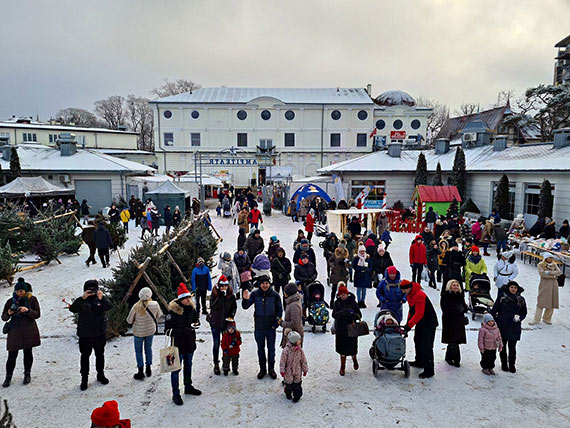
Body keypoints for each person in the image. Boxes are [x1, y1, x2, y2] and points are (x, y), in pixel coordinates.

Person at [68, 279, 113, 390]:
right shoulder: (81, 301)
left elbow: (109, 307)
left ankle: (100, 374)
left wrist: (102, 298)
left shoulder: (100, 300)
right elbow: (73, 309)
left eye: (94, 290)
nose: (91, 292)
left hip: (99, 333)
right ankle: (84, 379)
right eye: (89, 290)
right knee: (84, 356)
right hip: (85, 335)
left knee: (100, 355)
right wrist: (82, 298)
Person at [165, 283, 202, 405]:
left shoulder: (192, 309)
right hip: (177, 346)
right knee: (175, 369)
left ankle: (188, 386)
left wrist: (196, 323)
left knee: (188, 365)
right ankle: (176, 393)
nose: (188, 300)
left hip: (190, 343)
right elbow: (167, 330)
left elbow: (195, 320)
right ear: (181, 299)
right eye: (186, 298)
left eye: (189, 298)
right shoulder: (173, 312)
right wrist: (183, 329)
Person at [242, 275, 283, 380]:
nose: (265, 285)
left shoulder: (275, 295)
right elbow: (245, 306)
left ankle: (271, 369)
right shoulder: (255, 294)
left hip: (271, 328)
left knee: (271, 350)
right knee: (260, 349)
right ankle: (262, 369)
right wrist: (245, 299)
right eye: (263, 283)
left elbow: (279, 311)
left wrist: (275, 325)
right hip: (259, 327)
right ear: (260, 284)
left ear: (269, 284)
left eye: (266, 283)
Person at [1, 278, 40, 387]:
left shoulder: (32, 300)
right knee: (12, 355)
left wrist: (28, 311)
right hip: (14, 332)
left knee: (28, 353)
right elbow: (3, 317)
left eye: (22, 290)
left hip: (28, 330)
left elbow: (37, 314)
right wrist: (8, 313)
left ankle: (27, 374)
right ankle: (8, 377)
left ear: (26, 290)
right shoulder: (10, 301)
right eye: (18, 291)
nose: (20, 293)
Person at [400, 280, 438, 379]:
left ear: (409, 288)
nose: (403, 292)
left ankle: (429, 370)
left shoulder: (419, 295)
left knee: (426, 345)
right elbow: (412, 310)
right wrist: (407, 323)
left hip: (429, 322)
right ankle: (420, 361)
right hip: (421, 322)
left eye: (404, 289)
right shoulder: (410, 294)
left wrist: (409, 326)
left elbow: (419, 313)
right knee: (418, 340)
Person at [126, 287, 162, 380]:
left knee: (138, 351)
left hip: (138, 332)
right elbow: (159, 316)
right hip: (150, 331)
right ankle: (149, 369)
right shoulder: (155, 304)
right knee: (148, 348)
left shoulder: (136, 306)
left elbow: (129, 321)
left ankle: (140, 371)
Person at [490, 281, 527, 373]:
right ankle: (504, 364)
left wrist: (519, 318)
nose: (513, 289)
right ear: (508, 288)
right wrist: (492, 320)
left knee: (512, 347)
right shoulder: (502, 298)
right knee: (502, 346)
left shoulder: (521, 299)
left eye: (515, 287)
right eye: (512, 287)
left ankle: (512, 365)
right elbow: (494, 310)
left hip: (514, 326)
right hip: (503, 325)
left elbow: (524, 312)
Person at [208, 276, 237, 376]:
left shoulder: (231, 295)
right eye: (222, 286)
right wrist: (220, 297)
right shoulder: (215, 294)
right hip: (216, 323)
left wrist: (231, 315)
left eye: (225, 286)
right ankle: (216, 363)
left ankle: (226, 363)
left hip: (226, 324)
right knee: (216, 344)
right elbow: (213, 306)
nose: (224, 288)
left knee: (227, 343)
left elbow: (234, 306)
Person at [332, 284, 361, 376]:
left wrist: (352, 314)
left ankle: (354, 360)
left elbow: (359, 315)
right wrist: (342, 313)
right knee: (342, 349)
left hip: (351, 328)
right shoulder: (337, 303)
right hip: (341, 329)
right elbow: (334, 315)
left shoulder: (353, 302)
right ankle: (342, 366)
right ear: (339, 295)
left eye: (345, 294)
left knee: (352, 347)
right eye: (341, 295)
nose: (343, 296)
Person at [440, 279, 467, 367]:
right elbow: (445, 308)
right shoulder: (446, 296)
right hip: (449, 320)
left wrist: (462, 310)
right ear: (450, 286)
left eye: (457, 285)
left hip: (459, 320)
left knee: (454, 340)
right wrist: (458, 309)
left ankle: (448, 357)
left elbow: (464, 306)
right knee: (454, 340)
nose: (455, 287)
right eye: (454, 285)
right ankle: (456, 359)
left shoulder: (460, 295)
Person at [529, 252, 562, 325]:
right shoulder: (540, 265)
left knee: (552, 301)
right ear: (546, 258)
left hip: (554, 285)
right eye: (550, 257)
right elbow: (543, 274)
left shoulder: (554, 264)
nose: (551, 259)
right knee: (541, 301)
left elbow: (559, 272)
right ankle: (536, 319)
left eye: (551, 258)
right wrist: (553, 275)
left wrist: (549, 273)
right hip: (544, 284)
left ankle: (547, 318)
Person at [280, 330, 308, 403]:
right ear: (294, 341)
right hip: (288, 371)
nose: (300, 341)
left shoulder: (300, 350)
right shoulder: (286, 350)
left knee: (297, 384)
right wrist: (282, 370)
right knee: (288, 384)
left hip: (298, 370)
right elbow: (282, 361)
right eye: (299, 340)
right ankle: (288, 393)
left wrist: (305, 369)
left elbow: (303, 360)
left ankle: (297, 395)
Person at [279, 283, 304, 348]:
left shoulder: (294, 305)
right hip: (292, 334)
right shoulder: (292, 302)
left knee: (293, 356)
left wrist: (282, 323)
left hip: (294, 337)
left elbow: (294, 323)